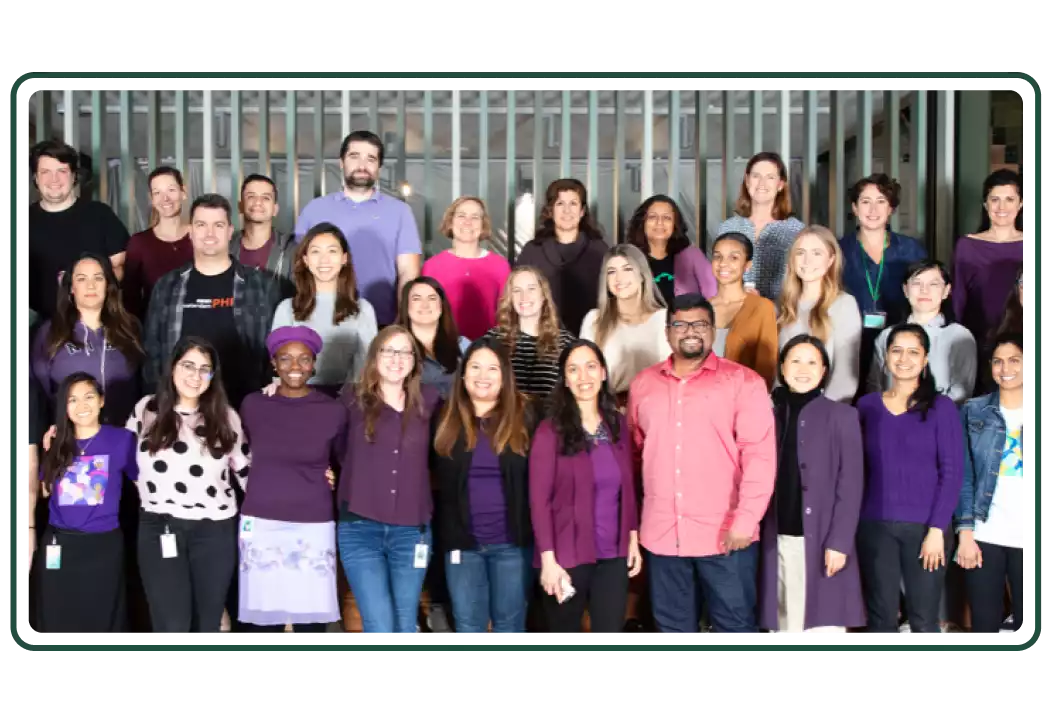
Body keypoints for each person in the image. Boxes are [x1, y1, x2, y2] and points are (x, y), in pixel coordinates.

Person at [627, 293, 776, 638]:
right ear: (667, 332)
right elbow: (636, 455)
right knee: (673, 631)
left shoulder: (745, 383)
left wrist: (746, 520)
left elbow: (760, 458)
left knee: (735, 629)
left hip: (726, 536)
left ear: (713, 332)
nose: (690, 331)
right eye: (680, 323)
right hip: (663, 535)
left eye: (700, 324)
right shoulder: (643, 385)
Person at [127, 336, 250, 639]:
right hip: (160, 526)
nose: (195, 376)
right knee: (172, 626)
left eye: (204, 369)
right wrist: (64, 439)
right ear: (172, 367)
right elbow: (120, 458)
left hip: (215, 531)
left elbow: (247, 472)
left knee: (206, 625)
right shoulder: (146, 410)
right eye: (188, 366)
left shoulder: (226, 417)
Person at [236, 326, 348, 640]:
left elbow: (344, 458)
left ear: (314, 363)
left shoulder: (333, 410)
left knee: (310, 624)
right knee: (262, 623)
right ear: (274, 364)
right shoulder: (253, 405)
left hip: (312, 524)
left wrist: (335, 475)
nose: (294, 367)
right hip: (260, 522)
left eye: (303, 359)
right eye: (285, 359)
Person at [855, 323, 964, 639]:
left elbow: (952, 472)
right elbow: (856, 470)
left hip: (925, 530)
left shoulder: (941, 408)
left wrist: (936, 532)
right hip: (874, 526)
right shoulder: (867, 406)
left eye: (913, 351)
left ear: (926, 359)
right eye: (896, 350)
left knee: (923, 620)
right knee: (880, 618)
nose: (904, 359)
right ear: (886, 356)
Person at [529, 339, 642, 638]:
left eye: (591, 367)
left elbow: (627, 486)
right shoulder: (549, 431)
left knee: (610, 637)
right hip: (566, 558)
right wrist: (548, 561)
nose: (584, 377)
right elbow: (539, 501)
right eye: (574, 370)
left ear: (603, 373)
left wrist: (632, 536)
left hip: (613, 557)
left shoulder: (617, 424)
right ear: (565, 380)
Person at [335, 326, 442, 638]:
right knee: (379, 627)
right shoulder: (350, 400)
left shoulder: (431, 402)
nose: (396, 358)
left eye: (404, 352)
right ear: (375, 357)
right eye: (388, 351)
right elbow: (333, 449)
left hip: (412, 530)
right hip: (359, 527)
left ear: (414, 361)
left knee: (406, 625)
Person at [758, 335, 866, 640]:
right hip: (775, 537)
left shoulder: (843, 416)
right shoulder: (767, 414)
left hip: (822, 540)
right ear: (781, 366)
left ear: (824, 371)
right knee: (783, 624)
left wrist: (840, 542)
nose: (802, 369)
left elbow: (852, 483)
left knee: (824, 626)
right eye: (795, 360)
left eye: (811, 362)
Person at [432, 337, 535, 638]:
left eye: (492, 368)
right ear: (463, 375)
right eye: (475, 367)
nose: (483, 375)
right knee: (468, 629)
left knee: (509, 630)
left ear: (504, 377)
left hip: (512, 546)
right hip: (463, 547)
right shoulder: (443, 419)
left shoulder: (527, 417)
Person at [143, 194, 277, 412]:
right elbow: (152, 356)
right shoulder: (167, 286)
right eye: (201, 224)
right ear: (191, 231)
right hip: (180, 413)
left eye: (218, 225)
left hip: (245, 409)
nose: (210, 233)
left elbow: (272, 352)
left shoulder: (261, 286)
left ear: (230, 231)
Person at [33, 372, 138, 639]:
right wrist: (46, 452)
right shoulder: (57, 443)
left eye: (89, 397)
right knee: (57, 620)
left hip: (103, 546)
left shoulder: (122, 440)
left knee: (104, 621)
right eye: (73, 400)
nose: (82, 406)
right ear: (64, 408)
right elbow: (44, 492)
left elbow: (142, 482)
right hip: (61, 544)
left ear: (102, 401)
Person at [293, 130, 422, 327]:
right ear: (341, 162)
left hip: (384, 323)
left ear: (379, 167)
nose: (362, 165)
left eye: (371, 158)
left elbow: (408, 273)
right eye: (354, 156)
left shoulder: (400, 212)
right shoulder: (314, 209)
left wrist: (402, 322)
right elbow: (300, 268)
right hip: (320, 322)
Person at [954, 332, 1028, 640]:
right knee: (984, 628)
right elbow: (963, 477)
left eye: (1014, 360)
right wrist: (965, 534)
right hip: (986, 533)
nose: (1005, 368)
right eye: (998, 361)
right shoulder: (973, 411)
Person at [31, 252, 144, 428]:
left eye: (98, 278)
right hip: (68, 438)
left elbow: (141, 384)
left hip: (123, 435)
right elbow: (38, 393)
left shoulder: (130, 328)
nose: (91, 285)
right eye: (82, 279)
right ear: (71, 288)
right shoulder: (50, 332)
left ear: (108, 285)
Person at [24, 140, 130, 323]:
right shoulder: (22, 221)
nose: (54, 179)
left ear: (74, 176)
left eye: (62, 171)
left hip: (97, 322)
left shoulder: (99, 215)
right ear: (35, 178)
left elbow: (121, 266)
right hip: (42, 325)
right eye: (45, 172)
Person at [268, 222, 378, 395]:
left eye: (332, 251)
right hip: (297, 396)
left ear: (344, 258)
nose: (324, 260)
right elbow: (279, 362)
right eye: (315, 252)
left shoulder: (363, 309)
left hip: (348, 399)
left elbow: (366, 365)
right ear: (305, 260)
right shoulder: (286, 308)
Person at [951, 169, 1025, 391]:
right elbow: (958, 299)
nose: (1002, 207)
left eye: (1009, 199)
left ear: (1021, 204)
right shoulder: (967, 245)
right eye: (995, 199)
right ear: (985, 204)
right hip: (978, 339)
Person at [866, 261, 976, 404]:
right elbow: (874, 386)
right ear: (905, 290)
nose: (924, 290)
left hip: (940, 420)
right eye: (917, 283)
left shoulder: (959, 336)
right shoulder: (887, 335)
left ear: (946, 291)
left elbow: (962, 392)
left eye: (934, 284)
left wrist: (924, 415)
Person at [776, 225, 862, 403]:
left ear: (831, 260)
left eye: (816, 253)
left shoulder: (844, 305)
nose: (807, 261)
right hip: (783, 411)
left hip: (825, 411)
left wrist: (820, 415)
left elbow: (845, 377)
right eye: (800, 253)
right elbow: (774, 372)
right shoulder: (780, 306)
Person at [579, 244, 672, 404]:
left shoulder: (665, 319)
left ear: (642, 274)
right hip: (610, 412)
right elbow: (583, 375)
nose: (619, 278)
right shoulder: (594, 320)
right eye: (611, 272)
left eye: (627, 269)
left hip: (658, 409)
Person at [515, 178, 608, 335]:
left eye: (573, 203)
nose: (567, 210)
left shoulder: (599, 250)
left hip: (590, 337)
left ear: (582, 211)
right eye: (560, 204)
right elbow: (516, 295)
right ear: (550, 211)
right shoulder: (532, 251)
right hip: (541, 338)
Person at [715, 151, 805, 301]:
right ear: (747, 181)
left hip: (782, 316)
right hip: (736, 314)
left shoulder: (797, 231)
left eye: (770, 177)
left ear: (780, 185)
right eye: (756, 176)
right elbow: (718, 274)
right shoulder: (728, 228)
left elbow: (802, 282)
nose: (762, 183)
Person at [422, 196, 511, 340]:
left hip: (487, 351)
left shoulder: (500, 266)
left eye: (475, 217)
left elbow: (507, 316)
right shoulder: (431, 267)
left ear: (483, 225)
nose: (467, 222)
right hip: (442, 348)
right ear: (450, 222)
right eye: (461, 215)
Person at [483, 267, 575, 401]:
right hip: (505, 420)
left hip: (550, 420)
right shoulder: (493, 339)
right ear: (510, 297)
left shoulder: (565, 342)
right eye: (516, 290)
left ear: (543, 295)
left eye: (531, 289)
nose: (524, 297)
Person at [121, 166, 195, 322]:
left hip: (198, 328)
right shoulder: (139, 242)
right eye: (157, 193)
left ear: (183, 192)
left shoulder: (200, 237)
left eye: (171, 190)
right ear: (152, 199)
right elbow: (130, 298)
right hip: (154, 330)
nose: (165, 198)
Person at [707, 232, 779, 389]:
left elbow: (766, 367)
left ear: (747, 265)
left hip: (744, 400)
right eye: (718, 256)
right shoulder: (701, 308)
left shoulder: (762, 308)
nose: (723, 263)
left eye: (733, 258)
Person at [624, 193, 715, 307]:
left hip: (687, 323)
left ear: (675, 224)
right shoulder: (629, 258)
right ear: (642, 222)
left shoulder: (692, 255)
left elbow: (713, 294)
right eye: (653, 217)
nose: (659, 223)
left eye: (666, 218)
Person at [230, 173, 297, 302]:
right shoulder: (226, 247)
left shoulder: (292, 249)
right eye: (251, 196)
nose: (258, 202)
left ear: (275, 209)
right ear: (240, 206)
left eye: (266, 198)